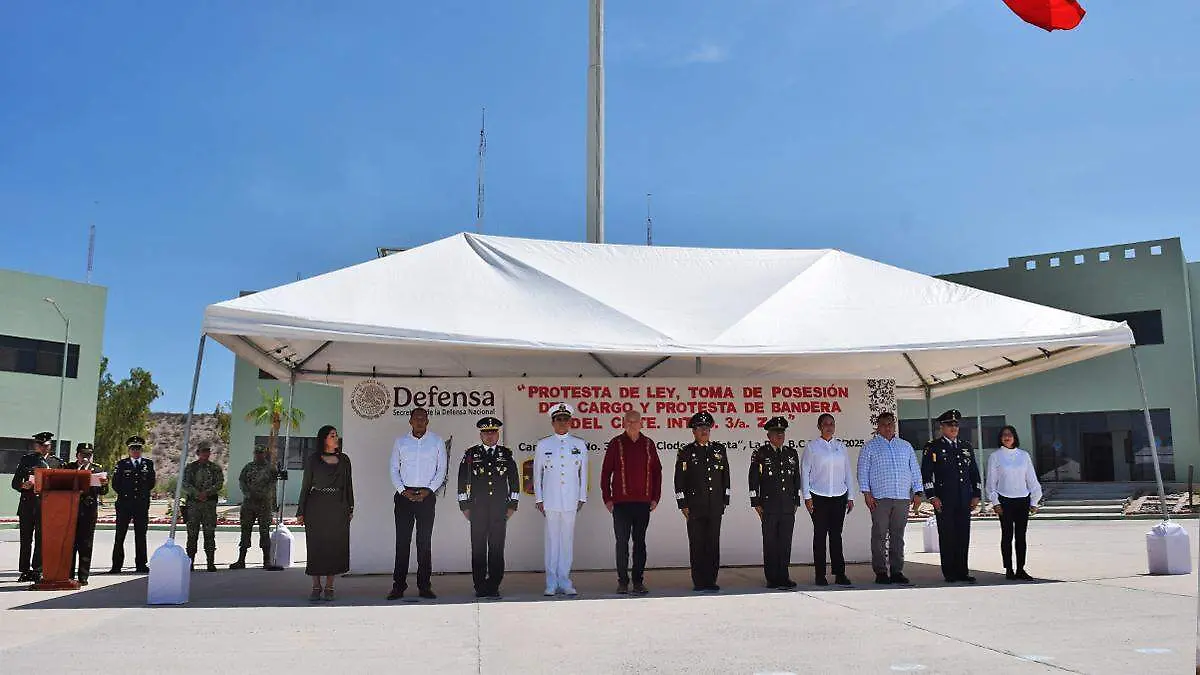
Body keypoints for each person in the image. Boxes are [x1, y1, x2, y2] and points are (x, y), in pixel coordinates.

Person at [600, 409, 662, 595]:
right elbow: (606, 472)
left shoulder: (648, 444)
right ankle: (622, 581)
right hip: (621, 504)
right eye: (628, 421)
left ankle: (638, 581)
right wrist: (607, 498)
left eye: (635, 421)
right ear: (623, 423)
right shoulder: (616, 443)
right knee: (622, 543)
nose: (632, 424)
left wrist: (655, 497)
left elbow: (657, 473)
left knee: (640, 543)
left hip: (643, 503)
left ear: (641, 423)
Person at [387, 407, 446, 601]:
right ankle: (398, 586)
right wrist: (403, 490)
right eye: (416, 418)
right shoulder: (400, 442)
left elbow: (441, 470)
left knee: (424, 542)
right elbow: (394, 468)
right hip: (404, 496)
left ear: (427, 421)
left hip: (426, 496)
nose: (420, 421)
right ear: (410, 421)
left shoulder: (436, 441)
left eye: (423, 418)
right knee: (402, 542)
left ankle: (424, 586)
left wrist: (429, 491)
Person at [857, 412, 923, 585]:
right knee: (879, 535)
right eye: (884, 424)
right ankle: (880, 572)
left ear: (894, 426)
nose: (888, 427)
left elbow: (915, 470)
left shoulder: (905, 446)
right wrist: (866, 494)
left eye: (890, 424)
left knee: (898, 536)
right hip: (880, 498)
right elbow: (862, 471)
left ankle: (896, 571)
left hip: (902, 497)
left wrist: (918, 492)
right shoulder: (870, 447)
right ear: (878, 427)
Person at [457, 416, 519, 598]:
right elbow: (462, 481)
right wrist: (464, 506)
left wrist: (512, 505)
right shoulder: (471, 454)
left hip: (500, 509)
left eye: (493, 432)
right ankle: (479, 585)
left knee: (496, 548)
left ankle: (493, 585)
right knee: (478, 549)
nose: (490, 436)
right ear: (481, 435)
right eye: (486, 432)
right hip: (477, 509)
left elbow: (514, 482)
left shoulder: (505, 454)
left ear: (497, 434)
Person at [534, 403, 588, 597]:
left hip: (571, 499)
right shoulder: (544, 444)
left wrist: (581, 496)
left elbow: (584, 473)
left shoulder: (579, 444)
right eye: (559, 419)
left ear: (570, 422)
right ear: (553, 422)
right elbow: (537, 473)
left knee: (566, 541)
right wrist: (539, 498)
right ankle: (551, 582)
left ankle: (565, 581)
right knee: (552, 541)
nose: (563, 423)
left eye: (566, 419)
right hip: (550, 499)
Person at [922, 409, 982, 583]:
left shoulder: (966, 446)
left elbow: (974, 472)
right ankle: (949, 572)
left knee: (963, 535)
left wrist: (976, 494)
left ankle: (962, 571)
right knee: (948, 536)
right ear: (942, 427)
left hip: (964, 498)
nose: (954, 428)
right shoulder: (933, 447)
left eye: (956, 425)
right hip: (944, 499)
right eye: (950, 425)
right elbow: (926, 474)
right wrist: (932, 496)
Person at [297, 425, 354, 601]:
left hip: (338, 506)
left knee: (334, 546)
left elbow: (349, 485)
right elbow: (306, 485)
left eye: (336, 435)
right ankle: (316, 586)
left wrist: (350, 506)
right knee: (316, 546)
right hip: (316, 506)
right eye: (332, 435)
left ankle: (330, 586)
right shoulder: (313, 460)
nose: (336, 438)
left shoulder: (344, 460)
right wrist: (301, 510)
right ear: (323, 439)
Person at [675, 411, 730, 593]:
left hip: (715, 505)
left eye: (707, 428)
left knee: (713, 543)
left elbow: (725, 477)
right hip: (694, 507)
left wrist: (725, 500)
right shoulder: (686, 452)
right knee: (697, 544)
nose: (704, 431)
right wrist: (682, 504)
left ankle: (711, 580)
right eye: (700, 428)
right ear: (694, 431)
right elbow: (679, 480)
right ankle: (699, 581)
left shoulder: (719, 450)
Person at [802, 413, 855, 586]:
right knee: (820, 536)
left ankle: (840, 573)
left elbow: (847, 472)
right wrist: (807, 496)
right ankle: (820, 575)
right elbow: (805, 472)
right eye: (825, 424)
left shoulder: (841, 446)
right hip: (818, 496)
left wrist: (850, 496)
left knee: (836, 536)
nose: (829, 427)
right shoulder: (812, 447)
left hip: (839, 496)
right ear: (819, 427)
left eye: (832, 423)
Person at [749, 416, 800, 590]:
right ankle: (772, 577)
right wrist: (755, 502)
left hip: (787, 506)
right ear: (768, 435)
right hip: (769, 506)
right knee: (770, 543)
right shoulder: (761, 453)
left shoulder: (791, 453)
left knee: (785, 542)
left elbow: (796, 479)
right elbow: (753, 480)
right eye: (776, 432)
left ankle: (784, 576)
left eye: (782, 432)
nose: (779, 435)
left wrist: (796, 501)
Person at [987, 425, 1043, 581]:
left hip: (1022, 500)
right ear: (1000, 438)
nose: (1007, 437)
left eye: (1010, 435)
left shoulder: (1024, 455)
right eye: (1004, 435)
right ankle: (1009, 569)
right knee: (1007, 535)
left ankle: (1020, 569)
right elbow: (991, 482)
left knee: (1021, 536)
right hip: (1004, 500)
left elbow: (1031, 478)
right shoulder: (995, 456)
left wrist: (1035, 500)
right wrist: (995, 502)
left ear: (1014, 437)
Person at [11, 431, 63, 582]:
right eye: (40, 445)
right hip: (28, 505)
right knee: (26, 540)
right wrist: (23, 485)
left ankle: (37, 569)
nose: (43, 448)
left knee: (41, 540)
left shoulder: (56, 463)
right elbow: (15, 483)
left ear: (50, 446)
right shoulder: (27, 460)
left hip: (46, 506)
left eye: (46, 445)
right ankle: (24, 570)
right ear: (36, 445)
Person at [110, 435, 155, 574]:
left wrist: (141, 496)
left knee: (141, 535)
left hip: (141, 505)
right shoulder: (122, 464)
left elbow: (151, 483)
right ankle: (116, 565)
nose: (136, 451)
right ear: (129, 450)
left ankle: (141, 564)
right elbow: (115, 484)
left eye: (138, 448)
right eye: (133, 448)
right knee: (120, 535)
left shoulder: (148, 464)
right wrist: (126, 495)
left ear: (142, 450)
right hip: (124, 504)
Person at [231, 445, 281, 570]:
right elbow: (242, 482)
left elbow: (272, 484)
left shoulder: (270, 469)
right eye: (257, 453)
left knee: (264, 531)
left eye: (261, 453)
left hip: (264, 504)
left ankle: (266, 561)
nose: (259, 455)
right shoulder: (248, 467)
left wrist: (263, 495)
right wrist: (248, 493)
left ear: (265, 454)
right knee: (245, 531)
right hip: (249, 504)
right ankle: (241, 560)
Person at [66, 443, 107, 586]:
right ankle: (68, 575)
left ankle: (83, 576)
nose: (85, 458)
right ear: (77, 455)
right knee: (70, 544)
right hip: (71, 510)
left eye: (89, 455)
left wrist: (104, 484)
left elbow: (103, 491)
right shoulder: (69, 468)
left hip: (88, 510)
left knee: (86, 544)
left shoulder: (97, 469)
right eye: (83, 454)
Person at [183, 444, 225, 571]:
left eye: (207, 451)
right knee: (192, 535)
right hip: (193, 506)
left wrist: (206, 493)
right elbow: (185, 483)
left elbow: (219, 483)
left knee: (209, 534)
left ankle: (210, 563)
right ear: (198, 453)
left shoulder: (215, 468)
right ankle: (190, 562)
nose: (205, 454)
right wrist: (197, 494)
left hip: (209, 505)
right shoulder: (191, 468)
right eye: (203, 451)